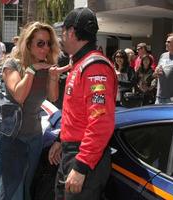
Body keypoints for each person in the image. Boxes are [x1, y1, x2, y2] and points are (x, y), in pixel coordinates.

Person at [48, 7, 117, 200]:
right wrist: (61, 139)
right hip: (72, 153)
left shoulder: (94, 67)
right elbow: (76, 114)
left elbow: (101, 122)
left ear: (71, 32)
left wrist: (81, 166)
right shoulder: (79, 64)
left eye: (62, 32)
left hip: (84, 158)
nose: (61, 37)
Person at [0, 21, 60, 200]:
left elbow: (53, 97)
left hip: (35, 137)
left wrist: (53, 77)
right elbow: (19, 96)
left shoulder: (46, 68)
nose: (45, 48)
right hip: (12, 137)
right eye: (40, 43)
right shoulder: (12, 65)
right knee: (10, 189)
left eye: (48, 43)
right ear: (28, 44)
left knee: (26, 186)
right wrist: (31, 70)